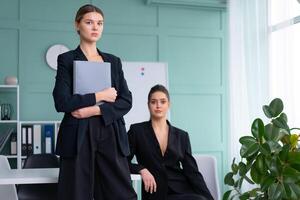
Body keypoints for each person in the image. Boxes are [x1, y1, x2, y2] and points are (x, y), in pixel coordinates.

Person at [52, 4, 137, 200]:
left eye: (99, 23)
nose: (95, 27)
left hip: (110, 131)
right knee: (76, 193)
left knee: (120, 194)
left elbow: (126, 100)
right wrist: (100, 95)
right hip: (78, 134)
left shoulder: (113, 61)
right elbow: (61, 102)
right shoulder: (66, 59)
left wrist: (94, 111)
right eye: (89, 22)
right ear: (77, 25)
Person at [127, 84, 214, 200]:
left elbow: (192, 172)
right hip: (154, 192)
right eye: (153, 102)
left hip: (182, 190)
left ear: (169, 105)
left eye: (163, 102)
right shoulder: (137, 131)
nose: (158, 105)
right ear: (148, 105)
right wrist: (141, 169)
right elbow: (122, 161)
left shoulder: (182, 136)